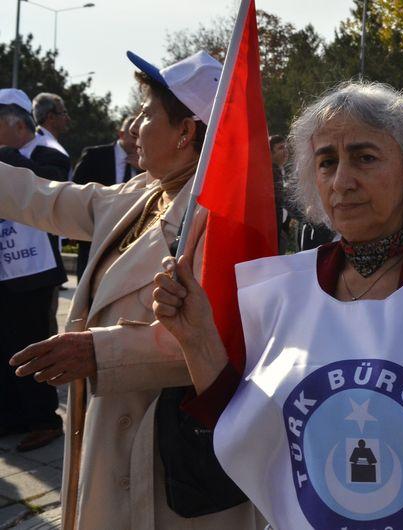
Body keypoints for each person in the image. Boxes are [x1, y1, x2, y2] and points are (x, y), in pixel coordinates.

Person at [152, 81, 403, 529]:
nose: (342, 182)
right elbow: (256, 435)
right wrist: (196, 338)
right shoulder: (282, 290)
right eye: (326, 161)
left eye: (365, 158)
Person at [2, 52, 262, 529]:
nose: (134, 126)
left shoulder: (223, 223)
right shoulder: (142, 193)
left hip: (165, 466)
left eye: (146, 114)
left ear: (186, 133)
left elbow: (223, 337)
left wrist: (100, 351)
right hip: (112, 439)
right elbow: (45, 199)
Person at [0, 88, 69, 452]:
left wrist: (9, 158)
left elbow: (54, 186)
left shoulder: (46, 151)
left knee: (33, 345)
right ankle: (12, 417)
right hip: (6, 268)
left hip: (34, 271)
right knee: (6, 347)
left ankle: (45, 420)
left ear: (16, 123)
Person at [72, 115, 141, 279]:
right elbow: (77, 191)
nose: (137, 141)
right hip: (93, 234)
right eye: (133, 135)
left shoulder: (146, 162)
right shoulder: (95, 155)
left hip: (127, 239)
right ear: (121, 134)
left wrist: (141, 168)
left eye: (140, 136)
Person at [31, 92, 69, 157]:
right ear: (51, 117)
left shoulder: (32, 141)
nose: (68, 119)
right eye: (63, 113)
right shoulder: (49, 148)